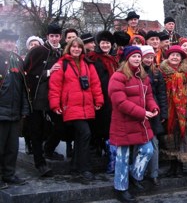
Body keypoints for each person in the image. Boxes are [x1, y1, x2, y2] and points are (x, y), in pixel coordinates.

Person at [108, 46, 159, 202]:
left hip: (140, 123)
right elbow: (120, 102)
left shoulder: (143, 76)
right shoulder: (118, 76)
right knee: (122, 157)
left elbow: (149, 96)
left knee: (148, 150)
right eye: (134, 56)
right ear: (127, 58)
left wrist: (153, 107)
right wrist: (142, 113)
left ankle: (134, 175)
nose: (137, 59)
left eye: (139, 56)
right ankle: (121, 188)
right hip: (123, 123)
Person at [49, 38, 103, 180]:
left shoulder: (87, 64)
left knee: (81, 137)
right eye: (73, 47)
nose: (76, 49)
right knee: (85, 134)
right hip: (71, 106)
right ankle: (84, 168)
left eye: (79, 47)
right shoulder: (62, 64)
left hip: (86, 106)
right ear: (69, 48)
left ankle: (75, 167)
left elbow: (95, 84)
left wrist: (99, 100)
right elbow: (55, 86)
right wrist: (55, 104)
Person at [24, 23, 65, 177]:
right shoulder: (38, 50)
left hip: (55, 98)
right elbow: (27, 72)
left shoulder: (62, 52)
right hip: (37, 98)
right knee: (37, 131)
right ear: (47, 37)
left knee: (60, 127)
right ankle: (40, 163)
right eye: (52, 36)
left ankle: (48, 150)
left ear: (60, 37)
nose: (54, 39)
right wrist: (48, 72)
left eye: (57, 36)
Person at [159, 45, 187, 177]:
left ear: (181, 58)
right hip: (169, 109)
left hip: (184, 109)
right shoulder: (161, 72)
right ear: (168, 57)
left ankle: (182, 165)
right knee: (170, 137)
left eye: (178, 55)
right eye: (172, 55)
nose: (175, 57)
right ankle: (172, 166)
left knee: (183, 138)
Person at [0, 29, 30, 188]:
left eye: (12, 41)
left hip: (15, 112)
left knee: (12, 148)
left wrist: (24, 109)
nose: (9, 43)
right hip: (1, 112)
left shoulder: (17, 60)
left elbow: (23, 87)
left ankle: (9, 174)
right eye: (6, 40)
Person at [86, 31, 119, 169]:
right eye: (103, 43)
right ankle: (97, 149)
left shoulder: (113, 59)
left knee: (109, 125)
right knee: (99, 124)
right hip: (100, 95)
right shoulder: (93, 58)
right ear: (99, 44)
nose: (105, 45)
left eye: (108, 43)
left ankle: (107, 151)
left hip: (112, 97)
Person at [140, 45, 168, 186]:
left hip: (154, 110)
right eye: (146, 57)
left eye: (151, 57)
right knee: (140, 143)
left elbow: (162, 94)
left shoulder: (156, 73)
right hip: (139, 109)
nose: (149, 60)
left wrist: (163, 112)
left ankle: (154, 173)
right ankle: (139, 172)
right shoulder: (135, 72)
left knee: (154, 142)